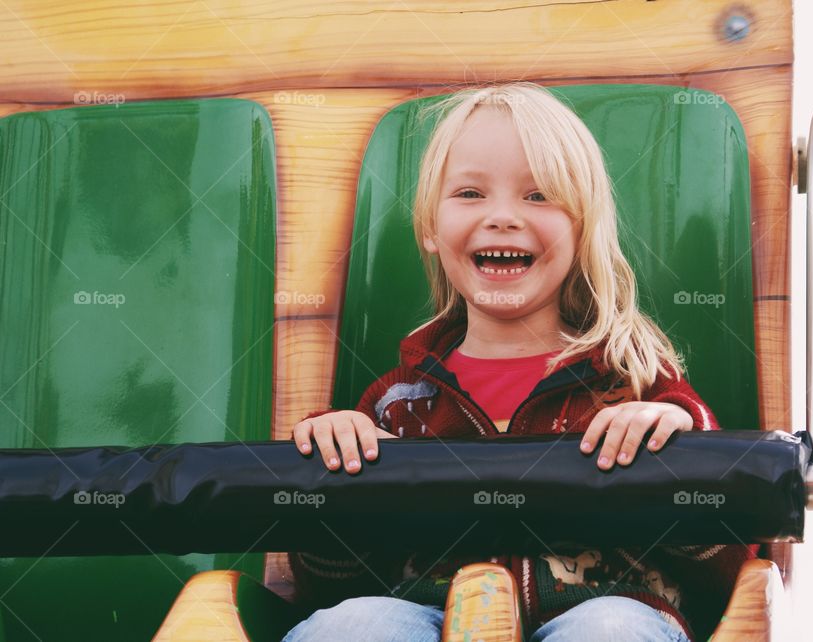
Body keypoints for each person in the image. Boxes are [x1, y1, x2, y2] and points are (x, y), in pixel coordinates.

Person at [283, 82, 756, 642]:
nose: (502, 216)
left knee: (610, 629)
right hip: (425, 615)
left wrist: (677, 451)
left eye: (538, 196)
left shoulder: (634, 384)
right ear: (432, 227)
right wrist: (328, 472)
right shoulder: (396, 407)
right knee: (355, 624)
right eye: (469, 193)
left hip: (606, 609)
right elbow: (327, 585)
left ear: (582, 229)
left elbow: (729, 565)